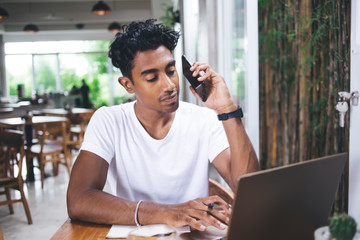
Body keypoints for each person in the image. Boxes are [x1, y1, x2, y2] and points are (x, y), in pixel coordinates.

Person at [67, 19, 259, 231]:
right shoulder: (109, 121)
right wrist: (169, 212)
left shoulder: (203, 119)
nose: (169, 85)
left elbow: (248, 190)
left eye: (170, 71)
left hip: (195, 236)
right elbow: (78, 199)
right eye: (152, 78)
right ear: (127, 84)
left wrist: (227, 109)